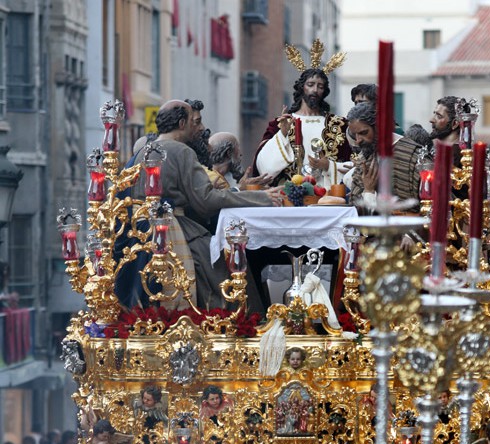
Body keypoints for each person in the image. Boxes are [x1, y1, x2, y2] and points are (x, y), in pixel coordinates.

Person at [129, 100, 282, 311]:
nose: (200, 128)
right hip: (176, 231)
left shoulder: (143, 152)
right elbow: (206, 201)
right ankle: (240, 325)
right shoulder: (182, 152)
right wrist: (261, 197)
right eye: (195, 122)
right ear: (182, 123)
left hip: (143, 233)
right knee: (227, 267)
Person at [254, 41, 352, 188]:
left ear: (324, 91)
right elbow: (263, 167)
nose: (315, 90)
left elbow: (355, 164)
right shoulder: (280, 123)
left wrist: (329, 166)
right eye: (310, 85)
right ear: (302, 87)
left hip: (328, 196)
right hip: (289, 195)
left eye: (320, 86)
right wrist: (283, 134)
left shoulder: (340, 124)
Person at [344, 102, 420, 214]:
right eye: (355, 135)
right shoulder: (366, 157)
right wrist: (368, 191)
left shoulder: (413, 155)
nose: (358, 140)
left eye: (364, 133)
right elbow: (356, 206)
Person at [206, 132, 272, 192]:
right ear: (228, 153)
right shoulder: (216, 180)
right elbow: (224, 201)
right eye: (238, 147)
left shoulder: (213, 175)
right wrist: (242, 188)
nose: (241, 154)